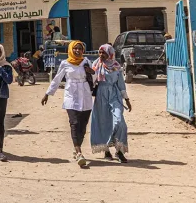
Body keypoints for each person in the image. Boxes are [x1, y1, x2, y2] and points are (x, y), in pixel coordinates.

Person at [42, 40, 95, 168]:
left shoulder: (86, 61)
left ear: (83, 50)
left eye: (80, 49)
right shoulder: (65, 63)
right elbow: (57, 79)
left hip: (86, 95)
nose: (77, 51)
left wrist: (91, 72)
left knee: (82, 126)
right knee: (74, 123)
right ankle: (79, 153)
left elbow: (95, 77)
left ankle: (77, 147)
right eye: (75, 48)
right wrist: (47, 94)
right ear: (71, 49)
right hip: (71, 95)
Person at [90, 44, 132, 163]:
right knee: (103, 123)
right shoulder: (95, 65)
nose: (101, 55)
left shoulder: (116, 66)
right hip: (101, 96)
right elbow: (91, 82)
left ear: (110, 54)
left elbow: (121, 85)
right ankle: (106, 150)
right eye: (100, 52)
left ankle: (119, 151)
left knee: (119, 121)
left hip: (114, 95)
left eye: (104, 53)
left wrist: (127, 99)